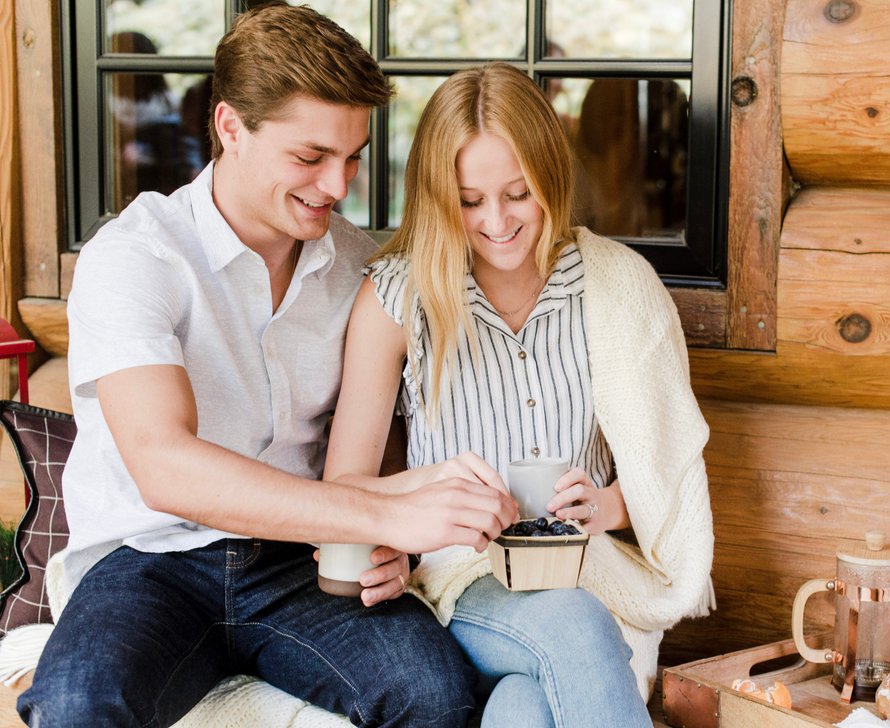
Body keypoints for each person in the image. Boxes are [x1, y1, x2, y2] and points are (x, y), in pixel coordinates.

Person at [18, 5, 517, 727]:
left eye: (353, 156)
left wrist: (389, 548)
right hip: (147, 561)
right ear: (230, 128)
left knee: (433, 694)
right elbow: (167, 466)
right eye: (310, 158)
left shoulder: (363, 269)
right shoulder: (135, 256)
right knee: (75, 704)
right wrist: (384, 512)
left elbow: (384, 436)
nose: (338, 184)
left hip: (300, 564)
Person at [324, 63, 716, 728]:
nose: (497, 221)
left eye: (518, 193)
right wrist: (432, 500)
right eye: (470, 200)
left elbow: (667, 482)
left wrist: (607, 505)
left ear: (550, 177)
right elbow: (345, 489)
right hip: (464, 587)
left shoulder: (618, 285)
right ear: (438, 195)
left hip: (597, 576)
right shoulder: (396, 296)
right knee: (570, 624)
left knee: (520, 710)